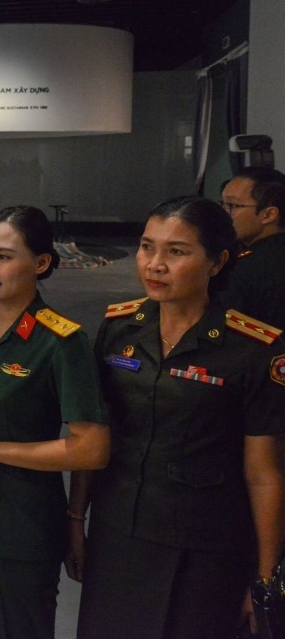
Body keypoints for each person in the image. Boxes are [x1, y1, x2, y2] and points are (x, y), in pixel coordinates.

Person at [69, 196, 285, 639]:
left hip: (205, 548)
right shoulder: (120, 328)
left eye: (177, 251)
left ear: (217, 262)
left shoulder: (253, 349)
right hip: (118, 533)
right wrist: (76, 519)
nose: (155, 264)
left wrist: (265, 577)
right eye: (147, 247)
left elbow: (264, 475)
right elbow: (96, 435)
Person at [0, 205, 109, 639]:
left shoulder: (61, 341)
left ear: (41, 263)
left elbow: (91, 448)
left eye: (5, 257)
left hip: (21, 527)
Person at [219, 166, 285, 327]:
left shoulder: (247, 269)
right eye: (223, 204)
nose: (223, 214)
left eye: (233, 206)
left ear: (268, 215)